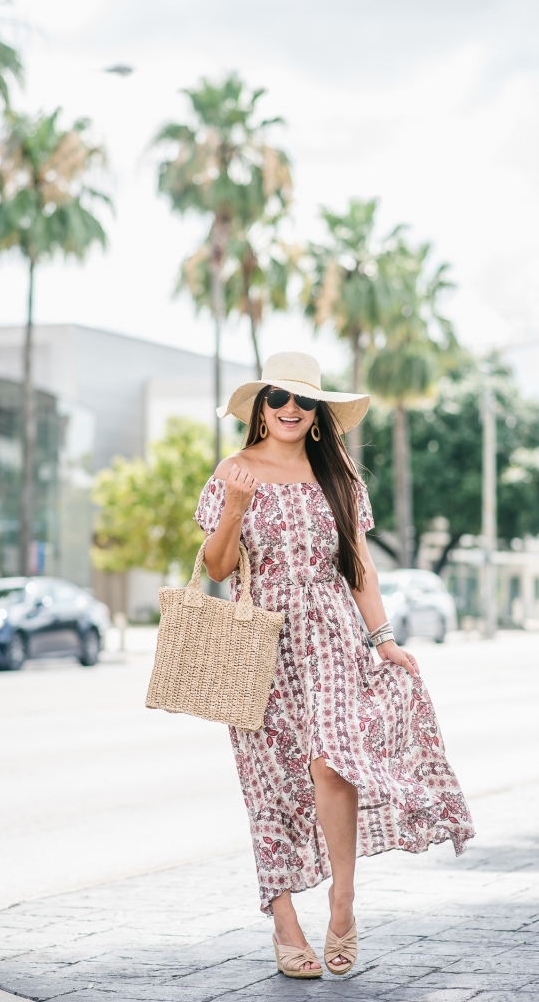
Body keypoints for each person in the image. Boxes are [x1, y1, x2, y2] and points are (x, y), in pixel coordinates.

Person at [195, 352, 474, 979]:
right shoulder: (233, 471)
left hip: (329, 635)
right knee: (269, 783)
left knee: (332, 761)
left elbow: (360, 568)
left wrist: (384, 640)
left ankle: (342, 905)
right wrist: (236, 507)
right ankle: (285, 923)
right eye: (278, 399)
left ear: (319, 416)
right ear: (260, 409)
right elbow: (215, 568)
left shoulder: (340, 480)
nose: (291, 409)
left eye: (304, 402)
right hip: (258, 640)